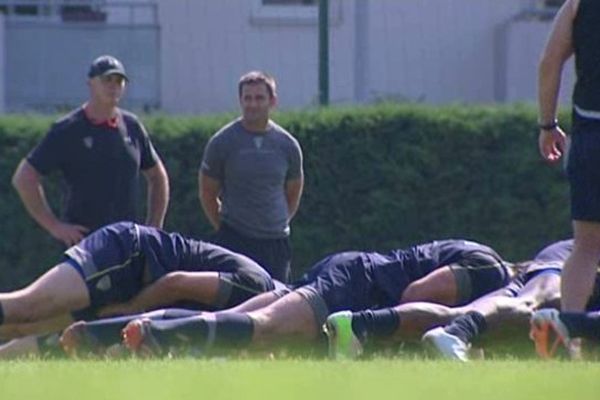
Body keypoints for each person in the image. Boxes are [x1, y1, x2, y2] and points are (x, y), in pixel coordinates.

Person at [115, 239, 512, 357]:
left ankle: (106, 335)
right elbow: (416, 295)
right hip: (359, 281)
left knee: (255, 325)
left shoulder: (481, 258)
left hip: (353, 270)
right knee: (266, 328)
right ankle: (160, 335)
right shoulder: (491, 270)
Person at [325, 239, 600, 361]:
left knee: (464, 316)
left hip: (555, 261)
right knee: (535, 303)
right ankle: (457, 334)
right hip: (561, 263)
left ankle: (359, 323)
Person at [0, 221, 275, 341]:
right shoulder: (256, 285)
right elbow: (176, 283)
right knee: (28, 306)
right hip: (128, 254)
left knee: (26, 328)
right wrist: (131, 309)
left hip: (133, 285)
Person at [12, 55, 169, 246]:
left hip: (127, 243)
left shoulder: (132, 126)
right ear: (91, 84)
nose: (114, 86)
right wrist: (55, 226)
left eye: (119, 81)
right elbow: (24, 177)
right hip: (84, 244)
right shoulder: (69, 129)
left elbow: (157, 176)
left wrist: (154, 226)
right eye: (107, 80)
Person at [199, 71, 303, 282]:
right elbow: (207, 192)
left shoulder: (287, 145)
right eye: (247, 98)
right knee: (236, 306)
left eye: (259, 98)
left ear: (272, 101)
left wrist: (278, 220)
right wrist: (223, 228)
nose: (252, 104)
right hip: (235, 240)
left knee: (276, 305)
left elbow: (293, 190)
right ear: (240, 100)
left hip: (276, 242)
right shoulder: (222, 142)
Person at [537, 0, 600, 321]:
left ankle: (571, 330)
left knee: (587, 246)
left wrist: (547, 124)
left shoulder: (578, 4)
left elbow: (550, 62)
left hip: (591, 133)